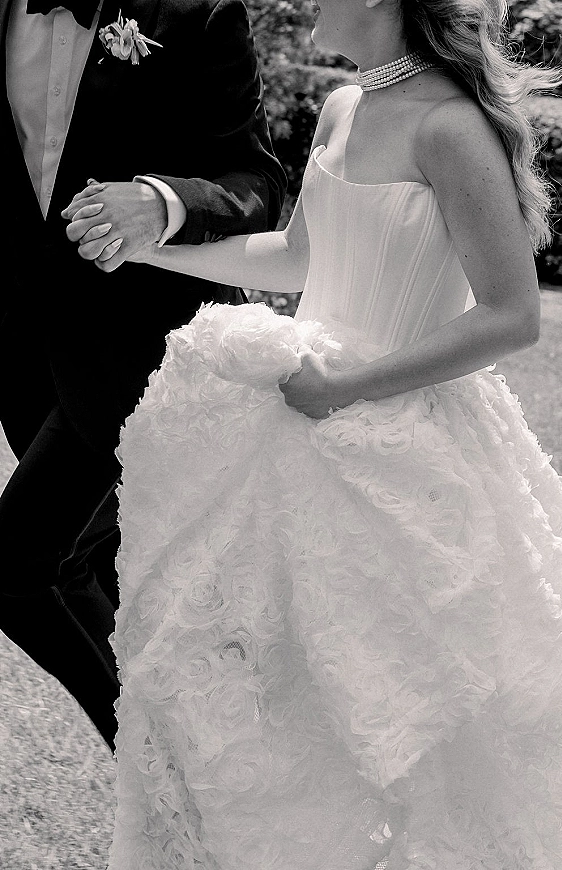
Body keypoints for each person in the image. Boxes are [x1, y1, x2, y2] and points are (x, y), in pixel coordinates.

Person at [67, 0, 562, 866]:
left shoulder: (451, 126)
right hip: (297, 436)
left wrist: (346, 388)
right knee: (260, 699)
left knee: (398, 715)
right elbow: (300, 259)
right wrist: (147, 247)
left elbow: (511, 315)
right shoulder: (346, 107)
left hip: (405, 452)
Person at [0, 0, 286, 754]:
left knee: (23, 569)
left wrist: (161, 203)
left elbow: (256, 179)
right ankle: (216, 792)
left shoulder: (197, 10)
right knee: (117, 577)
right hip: (27, 351)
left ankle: (175, 779)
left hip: (143, 350)